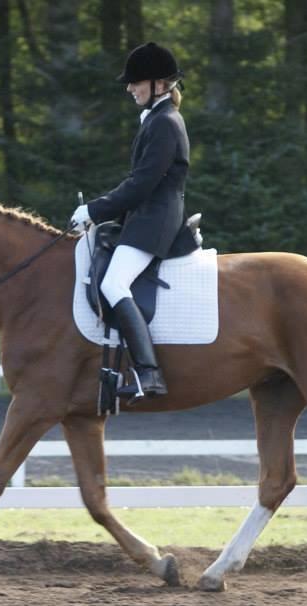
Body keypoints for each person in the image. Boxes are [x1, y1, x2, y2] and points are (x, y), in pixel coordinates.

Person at [70, 42, 196, 402]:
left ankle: (148, 374)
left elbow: (142, 183)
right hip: (144, 217)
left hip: (155, 221)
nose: (129, 88)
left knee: (113, 284)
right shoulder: (157, 119)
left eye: (136, 82)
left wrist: (95, 210)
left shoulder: (166, 123)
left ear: (158, 84)